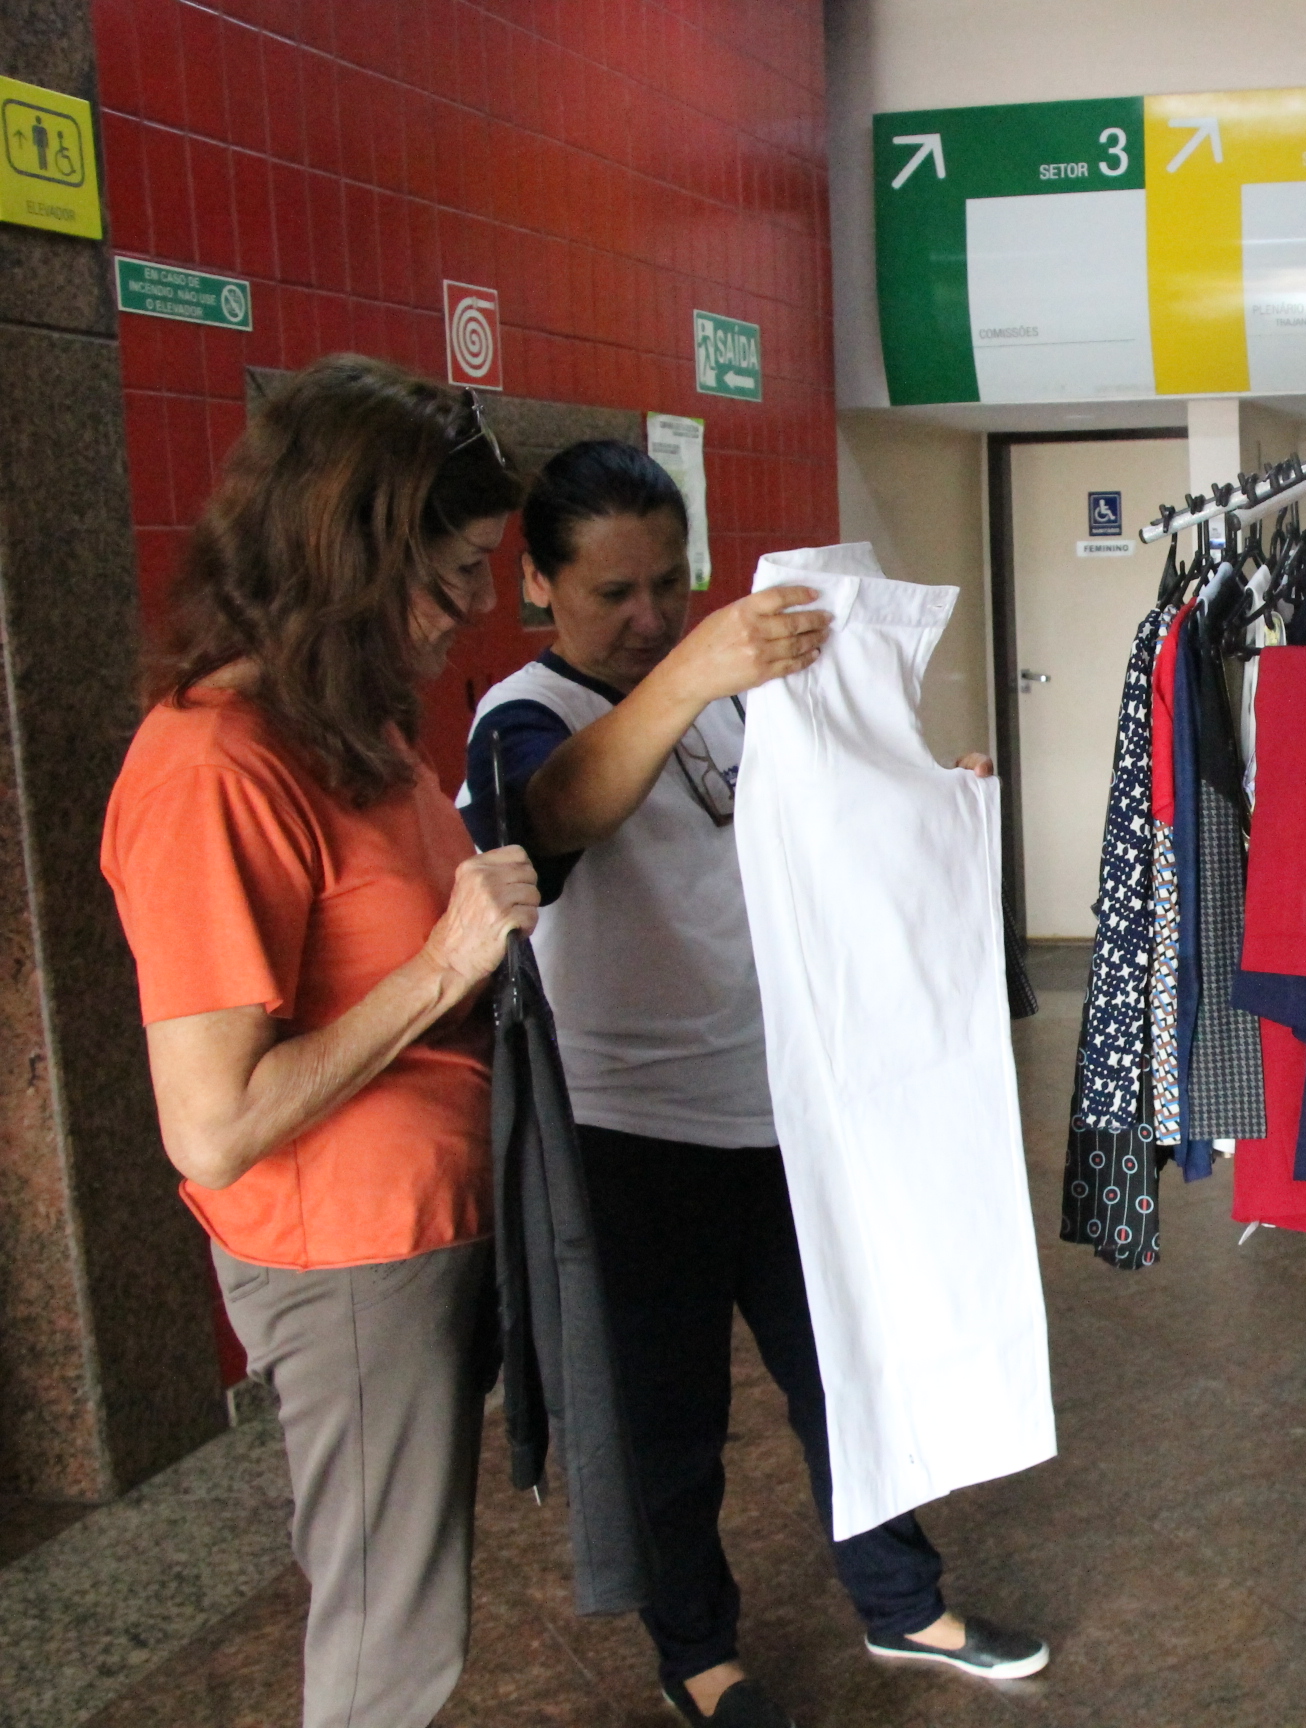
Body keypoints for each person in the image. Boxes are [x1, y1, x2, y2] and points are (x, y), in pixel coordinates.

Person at [460, 440, 1044, 1728]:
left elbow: (813, 849)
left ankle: (902, 1602)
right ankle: (699, 1655)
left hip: (782, 1107)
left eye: (669, 583)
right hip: (629, 1135)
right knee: (671, 1420)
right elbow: (553, 819)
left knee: (847, 1374)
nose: (649, 616)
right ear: (538, 583)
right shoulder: (524, 714)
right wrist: (694, 668)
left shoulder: (731, 703)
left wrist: (925, 812)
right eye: (613, 592)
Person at [100, 355, 535, 1728]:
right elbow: (213, 1124)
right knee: (386, 1636)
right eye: (453, 571)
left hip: (420, 1235)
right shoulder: (213, 768)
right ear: (353, 560)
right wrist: (443, 965)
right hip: (348, 1259)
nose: (477, 603)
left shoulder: (339, 725)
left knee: (396, 1597)